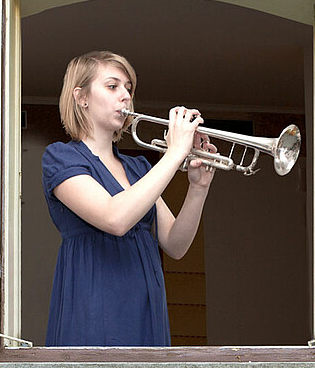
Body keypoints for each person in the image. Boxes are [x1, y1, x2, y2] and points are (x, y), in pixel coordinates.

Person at [41, 50, 217, 347]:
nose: (125, 96)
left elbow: (176, 244)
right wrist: (175, 154)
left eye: (128, 88)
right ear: (81, 97)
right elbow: (115, 218)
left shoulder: (138, 169)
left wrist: (199, 188)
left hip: (146, 306)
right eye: (112, 86)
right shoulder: (60, 158)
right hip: (93, 303)